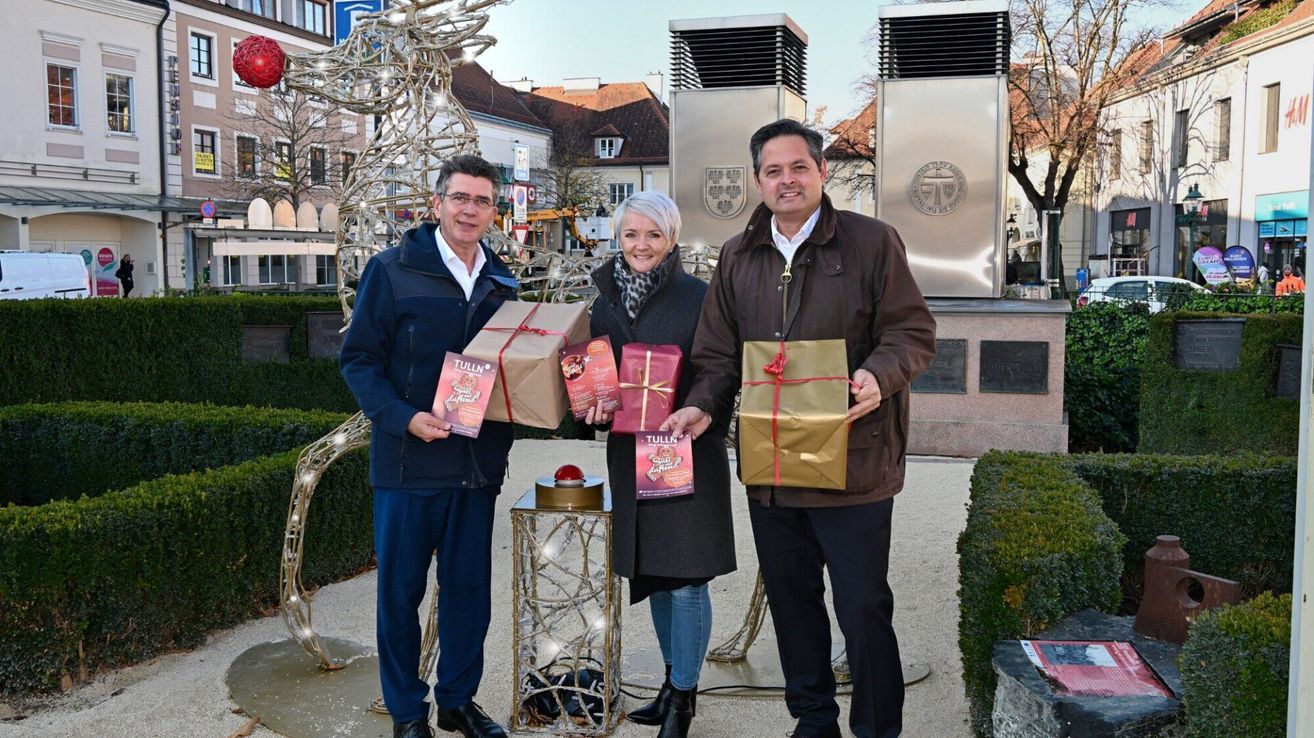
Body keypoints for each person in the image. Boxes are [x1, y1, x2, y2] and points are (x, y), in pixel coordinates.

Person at [664, 119, 936, 738]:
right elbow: (716, 355)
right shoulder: (738, 255)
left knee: (864, 606)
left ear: (821, 172)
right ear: (758, 180)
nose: (786, 180)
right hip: (773, 467)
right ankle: (813, 722)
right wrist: (704, 404)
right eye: (773, 171)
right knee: (793, 606)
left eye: (798, 168)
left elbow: (912, 333)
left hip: (855, 462)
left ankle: (876, 728)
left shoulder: (872, 242)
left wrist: (876, 375)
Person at [340, 154, 518, 738]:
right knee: (400, 598)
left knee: (470, 595)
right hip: (408, 463)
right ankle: (407, 713)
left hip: (475, 465)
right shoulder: (391, 271)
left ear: (495, 210)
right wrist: (403, 417)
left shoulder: (504, 281)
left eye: (482, 201)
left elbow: (516, 370)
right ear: (437, 202)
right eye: (460, 198)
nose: (470, 210)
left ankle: (458, 701)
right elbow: (359, 360)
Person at [585, 191, 736, 738]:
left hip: (684, 449)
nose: (641, 245)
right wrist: (594, 407)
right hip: (632, 454)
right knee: (654, 572)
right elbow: (596, 374)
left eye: (653, 234)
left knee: (688, 577)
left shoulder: (701, 295)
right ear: (617, 238)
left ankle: (685, 698)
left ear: (671, 238)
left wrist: (700, 407)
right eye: (631, 234)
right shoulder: (603, 299)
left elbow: (722, 368)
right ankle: (672, 684)